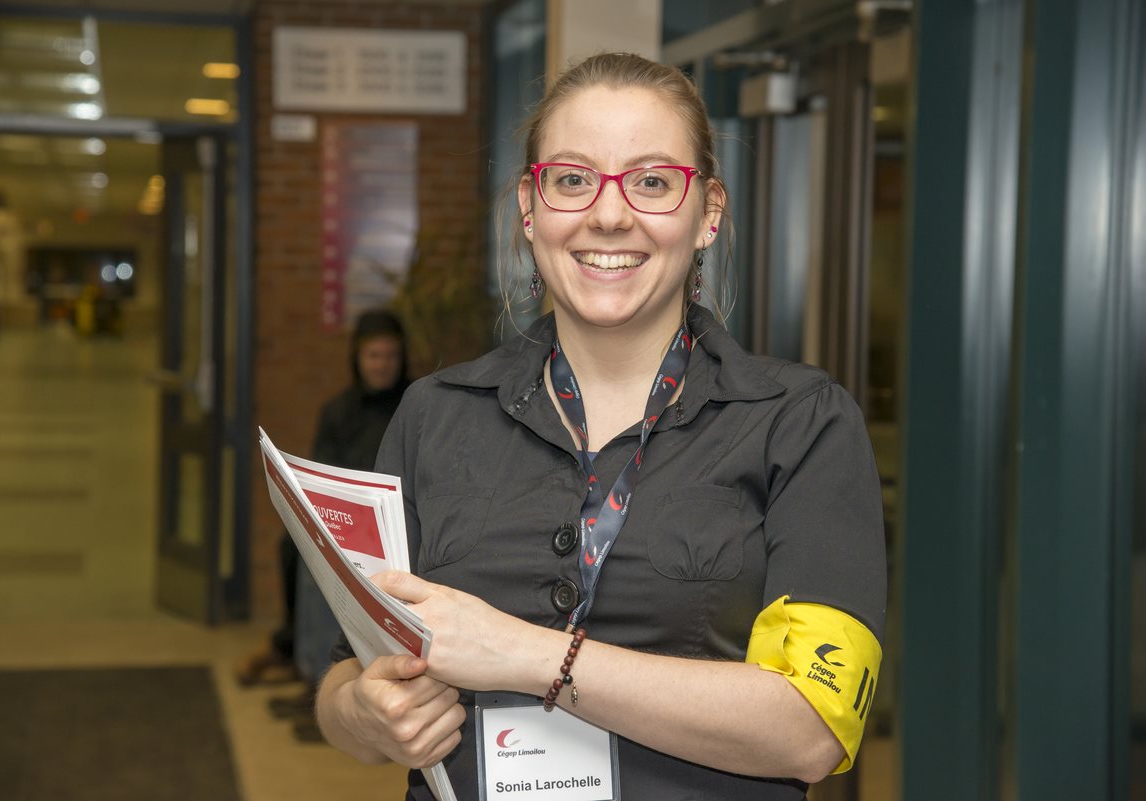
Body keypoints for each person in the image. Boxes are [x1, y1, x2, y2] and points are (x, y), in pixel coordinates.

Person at [315, 52, 886, 800]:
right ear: (531, 205)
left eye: (651, 181)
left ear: (707, 212)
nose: (608, 213)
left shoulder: (802, 424)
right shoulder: (432, 415)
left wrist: (529, 655)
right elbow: (342, 675)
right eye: (573, 179)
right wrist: (365, 712)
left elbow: (815, 725)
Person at [237, 310, 409, 699]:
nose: (382, 365)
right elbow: (319, 476)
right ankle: (302, 661)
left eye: (389, 356)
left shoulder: (413, 407)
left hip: (396, 520)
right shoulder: (339, 410)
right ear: (357, 358)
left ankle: (320, 674)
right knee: (296, 548)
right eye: (373, 356)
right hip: (347, 519)